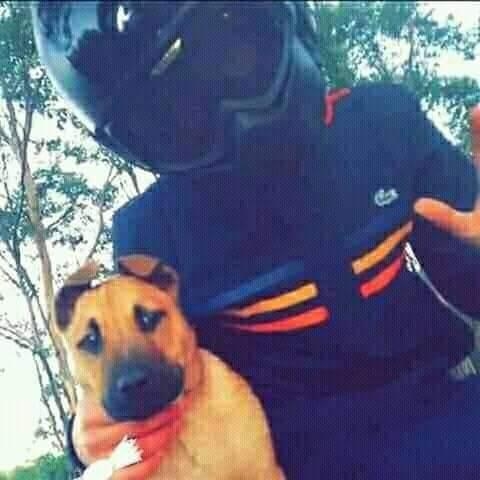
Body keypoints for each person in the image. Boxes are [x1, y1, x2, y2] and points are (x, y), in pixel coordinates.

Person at [31, 2, 480, 478]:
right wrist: (87, 440)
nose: (228, 113)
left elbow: (470, 289)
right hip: (291, 457)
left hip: (448, 415)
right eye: (178, 109)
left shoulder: (383, 124)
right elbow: (156, 377)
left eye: (230, 50)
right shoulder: (154, 231)